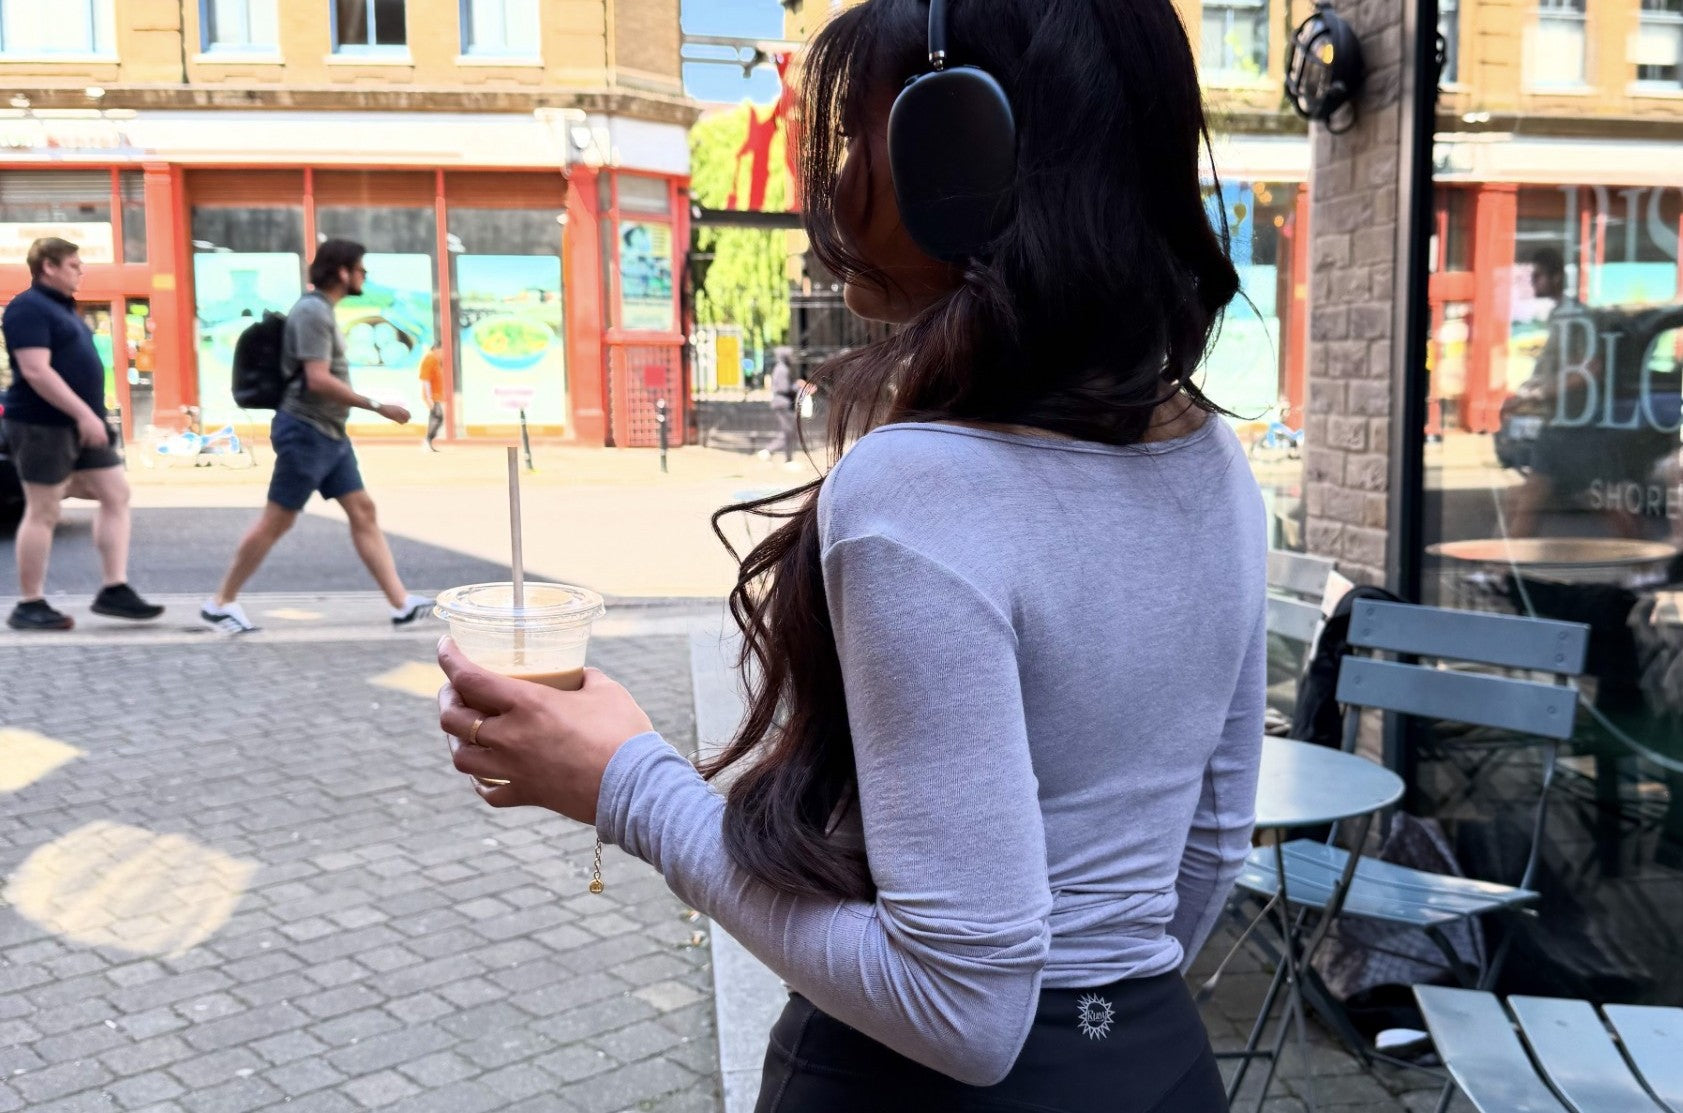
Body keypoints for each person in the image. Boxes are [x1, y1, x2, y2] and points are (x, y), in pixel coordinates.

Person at [435, 1, 1259, 1110]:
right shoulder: (1213, 463)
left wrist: (624, 782)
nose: (830, 182)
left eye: (855, 136)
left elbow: (963, 1011)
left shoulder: (916, 490)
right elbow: (1204, 854)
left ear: (954, 147)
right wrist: (1101, 1021)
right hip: (1153, 1062)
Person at [200, 240, 431, 634]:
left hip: (328, 434)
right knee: (277, 520)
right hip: (305, 431)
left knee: (363, 510)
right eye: (361, 269)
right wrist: (379, 406)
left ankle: (401, 604)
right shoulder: (312, 312)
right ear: (342, 271)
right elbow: (317, 379)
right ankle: (221, 602)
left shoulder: (322, 310)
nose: (364, 276)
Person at [2, 237, 163, 631]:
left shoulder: (65, 309)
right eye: (73, 264)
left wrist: (94, 417)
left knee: (115, 493)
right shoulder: (28, 308)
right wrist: (82, 415)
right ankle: (30, 603)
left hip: (84, 422)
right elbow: (36, 371)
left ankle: (114, 589)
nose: (81, 270)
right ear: (48, 267)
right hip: (43, 424)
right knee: (43, 510)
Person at [757, 347, 803, 466]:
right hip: (783, 403)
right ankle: (769, 451)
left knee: (789, 431)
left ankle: (788, 458)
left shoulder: (781, 368)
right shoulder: (782, 370)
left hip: (783, 403)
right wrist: (797, 386)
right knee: (788, 431)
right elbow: (783, 388)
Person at [418, 342, 445, 452]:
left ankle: (428, 441)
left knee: (435, 417)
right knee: (438, 416)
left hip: (436, 395)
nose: (443, 354)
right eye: (442, 351)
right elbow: (426, 379)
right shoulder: (430, 358)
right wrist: (428, 397)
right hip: (431, 396)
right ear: (437, 349)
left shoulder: (435, 360)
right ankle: (427, 440)